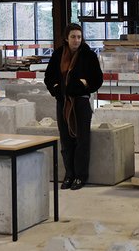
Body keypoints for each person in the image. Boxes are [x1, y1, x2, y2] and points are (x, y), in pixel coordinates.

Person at [44, 23, 103, 190]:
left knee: (82, 140)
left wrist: (84, 85)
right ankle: (69, 175)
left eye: (79, 37)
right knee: (66, 140)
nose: (76, 40)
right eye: (73, 37)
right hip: (63, 102)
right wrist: (56, 89)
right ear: (66, 38)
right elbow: (49, 77)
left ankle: (80, 176)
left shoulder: (88, 55)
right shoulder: (58, 55)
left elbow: (97, 79)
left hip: (81, 102)